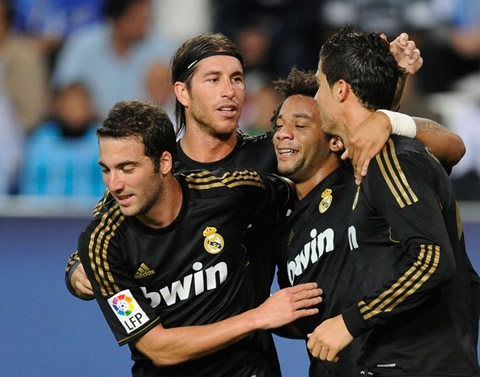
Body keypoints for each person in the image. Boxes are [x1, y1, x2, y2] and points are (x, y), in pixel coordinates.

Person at [77, 99, 322, 377]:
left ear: (165, 162)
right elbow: (157, 348)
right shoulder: (103, 245)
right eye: (106, 169)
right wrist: (258, 317)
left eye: (128, 168)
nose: (114, 185)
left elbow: (298, 193)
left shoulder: (231, 192)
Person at [307, 26, 480, 376]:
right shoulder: (372, 156)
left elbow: (432, 260)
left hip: (422, 364)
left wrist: (349, 322)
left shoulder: (391, 158)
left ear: (340, 89)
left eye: (319, 85)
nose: (315, 99)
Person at [271, 68, 360, 377]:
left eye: (300, 124)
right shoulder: (282, 228)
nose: (283, 133)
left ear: (335, 140)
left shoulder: (362, 183)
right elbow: (308, 318)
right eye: (279, 125)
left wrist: (390, 121)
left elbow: (452, 147)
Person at [52, 0, 174, 118]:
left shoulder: (163, 49)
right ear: (119, 20)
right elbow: (64, 92)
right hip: (91, 131)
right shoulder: (82, 45)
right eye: (138, 18)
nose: (144, 25)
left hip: (148, 129)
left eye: (146, 18)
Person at [18, 82, 104, 197]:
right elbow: (29, 184)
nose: (74, 112)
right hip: (43, 212)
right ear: (58, 107)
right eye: (69, 105)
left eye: (79, 105)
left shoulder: (103, 142)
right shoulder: (40, 141)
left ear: (90, 107)